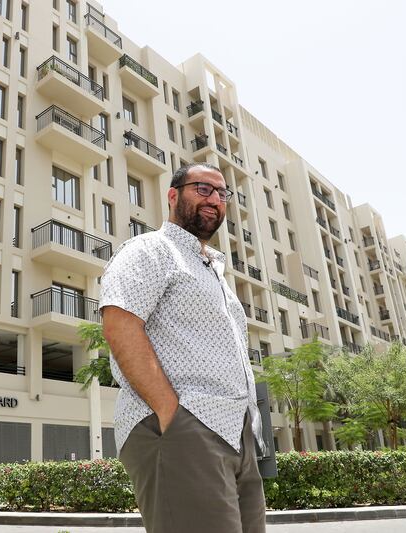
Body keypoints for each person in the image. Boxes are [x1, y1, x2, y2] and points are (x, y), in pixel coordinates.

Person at [99, 163, 266, 533]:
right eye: (203, 189)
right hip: (185, 427)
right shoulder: (150, 250)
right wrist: (170, 413)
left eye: (222, 194)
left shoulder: (213, 270)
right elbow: (120, 323)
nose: (215, 200)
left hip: (235, 434)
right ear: (173, 195)